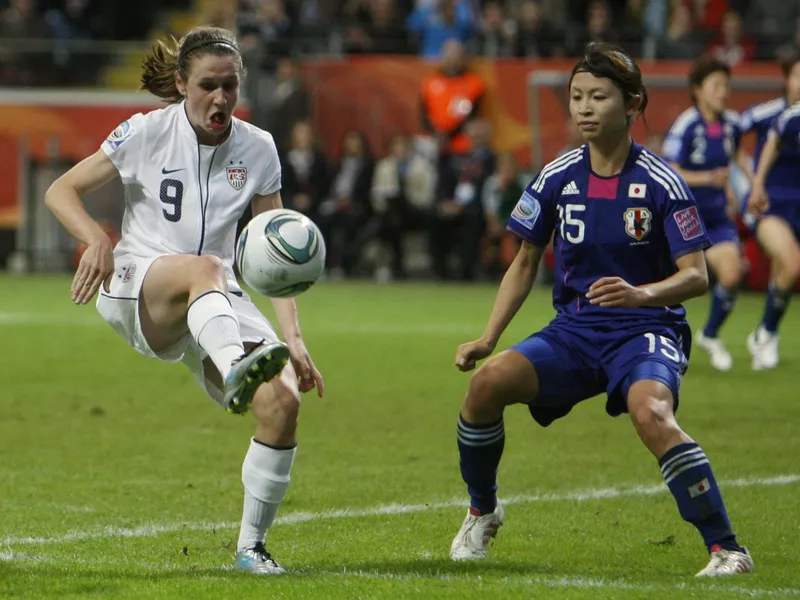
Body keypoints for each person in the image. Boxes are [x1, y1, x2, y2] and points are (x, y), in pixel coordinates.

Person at [448, 43, 753, 577]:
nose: (584, 108)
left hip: (646, 330)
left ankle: (727, 549)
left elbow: (696, 276)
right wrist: (488, 338)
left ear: (633, 104)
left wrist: (640, 294)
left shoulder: (662, 182)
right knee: (485, 386)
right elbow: (524, 262)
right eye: (577, 97)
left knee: (652, 414)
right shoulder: (556, 177)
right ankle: (482, 509)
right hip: (575, 332)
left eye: (599, 97)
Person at [43, 26, 324, 576]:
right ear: (180, 83)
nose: (220, 99)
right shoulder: (146, 131)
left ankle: (251, 548)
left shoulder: (259, 147)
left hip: (217, 298)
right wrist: (97, 239)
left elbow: (274, 259)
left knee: (282, 404)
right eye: (207, 86)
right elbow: (60, 190)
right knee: (206, 268)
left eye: (230, 87)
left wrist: (293, 339)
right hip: (140, 286)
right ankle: (237, 364)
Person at [661, 56, 749, 371]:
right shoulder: (686, 123)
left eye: (726, 85)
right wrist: (710, 178)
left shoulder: (732, 124)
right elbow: (671, 170)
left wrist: (750, 187)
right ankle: (666, 343)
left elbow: (737, 155)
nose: (723, 92)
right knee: (675, 285)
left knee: (732, 274)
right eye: (716, 85)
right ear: (698, 90)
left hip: (717, 216)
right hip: (683, 219)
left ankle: (710, 335)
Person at [739, 54, 800, 370]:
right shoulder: (776, 115)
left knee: (785, 271)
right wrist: (754, 181)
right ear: (786, 79)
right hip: (769, 205)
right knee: (791, 262)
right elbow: (733, 132)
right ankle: (767, 332)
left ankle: (765, 333)